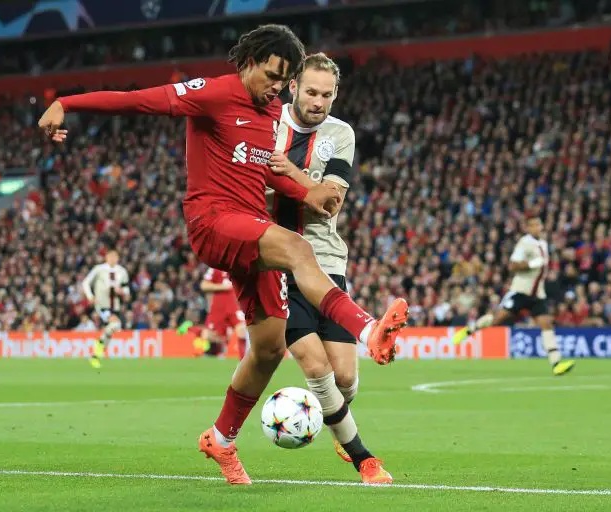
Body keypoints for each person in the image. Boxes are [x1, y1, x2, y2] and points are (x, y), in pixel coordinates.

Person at [38, 24, 408, 485]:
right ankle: (369, 329)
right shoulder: (212, 94)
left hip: (250, 229)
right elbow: (138, 99)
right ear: (250, 61)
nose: (276, 88)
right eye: (272, 75)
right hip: (213, 219)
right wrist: (67, 103)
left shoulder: (271, 110)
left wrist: (307, 191)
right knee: (296, 246)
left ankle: (221, 438)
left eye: (283, 80)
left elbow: (262, 171)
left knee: (270, 347)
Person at [266, 53, 391, 484]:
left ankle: (341, 425)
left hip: (326, 257)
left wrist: (290, 174)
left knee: (345, 375)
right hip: (274, 258)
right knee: (315, 367)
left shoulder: (340, 134)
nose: (319, 101)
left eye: (328, 94)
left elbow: (331, 201)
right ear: (293, 86)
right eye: (312, 91)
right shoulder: (266, 124)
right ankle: (365, 459)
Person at [452, 215, 576, 376]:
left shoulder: (544, 243)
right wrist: (531, 264)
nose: (538, 227)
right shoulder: (525, 243)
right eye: (534, 225)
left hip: (537, 294)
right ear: (528, 228)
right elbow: (513, 266)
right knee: (497, 319)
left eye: (539, 224)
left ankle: (556, 364)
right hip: (520, 291)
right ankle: (470, 330)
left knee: (547, 324)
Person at [81, 249, 130, 369]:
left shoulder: (122, 271)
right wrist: (90, 296)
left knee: (111, 331)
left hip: (116, 306)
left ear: (118, 258)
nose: (113, 258)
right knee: (115, 324)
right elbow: (85, 282)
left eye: (115, 256)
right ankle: (98, 344)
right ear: (106, 257)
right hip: (102, 305)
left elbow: (126, 290)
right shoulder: (99, 269)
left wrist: (122, 292)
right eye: (110, 256)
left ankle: (96, 356)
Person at [199, 267, 249, 359]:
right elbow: (204, 285)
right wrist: (222, 287)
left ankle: (243, 360)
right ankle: (220, 347)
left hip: (235, 305)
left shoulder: (241, 266)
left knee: (242, 331)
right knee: (207, 335)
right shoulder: (215, 267)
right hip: (218, 307)